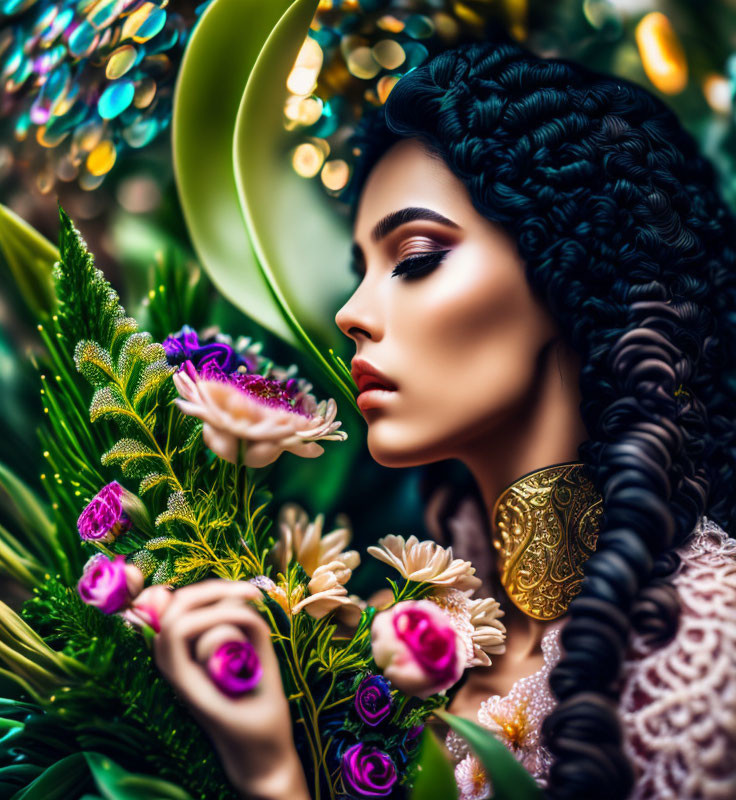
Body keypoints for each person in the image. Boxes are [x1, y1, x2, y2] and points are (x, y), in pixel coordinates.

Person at [153, 36, 736, 800]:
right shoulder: (400, 629)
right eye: (361, 269)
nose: (352, 314)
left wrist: (270, 779)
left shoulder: (706, 657)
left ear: (571, 265)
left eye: (418, 255)